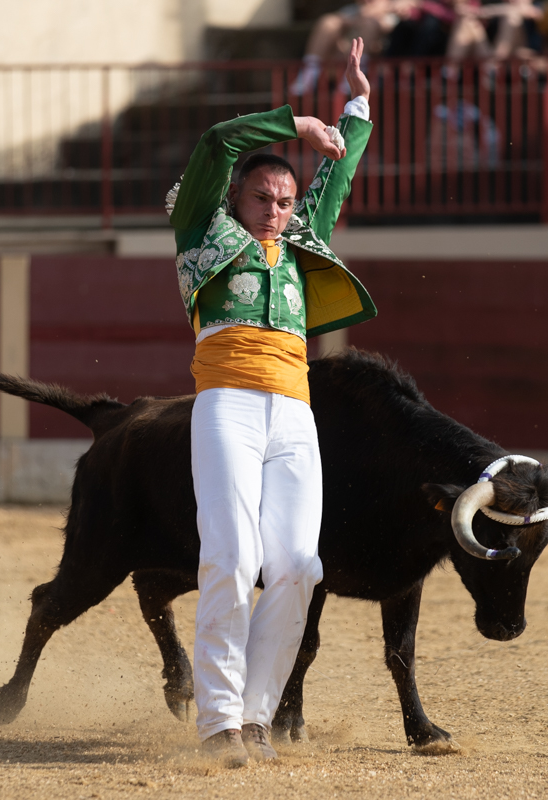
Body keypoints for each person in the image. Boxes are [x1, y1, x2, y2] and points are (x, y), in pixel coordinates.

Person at [166, 38, 377, 768]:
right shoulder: (203, 225)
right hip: (225, 400)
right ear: (234, 195)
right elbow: (218, 141)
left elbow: (338, 176)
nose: (275, 211)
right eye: (262, 197)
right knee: (231, 554)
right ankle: (218, 720)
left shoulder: (299, 239)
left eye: (285, 202)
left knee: (297, 564)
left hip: (293, 410)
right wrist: (295, 124)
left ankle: (256, 716)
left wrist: (356, 105)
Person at [291, 0, 416, 95]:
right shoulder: (354, 10)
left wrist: (379, 11)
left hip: (379, 61)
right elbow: (339, 21)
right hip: (341, 59)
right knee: (328, 22)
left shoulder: (399, 8)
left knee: (369, 24)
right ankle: (309, 74)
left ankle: (356, 75)